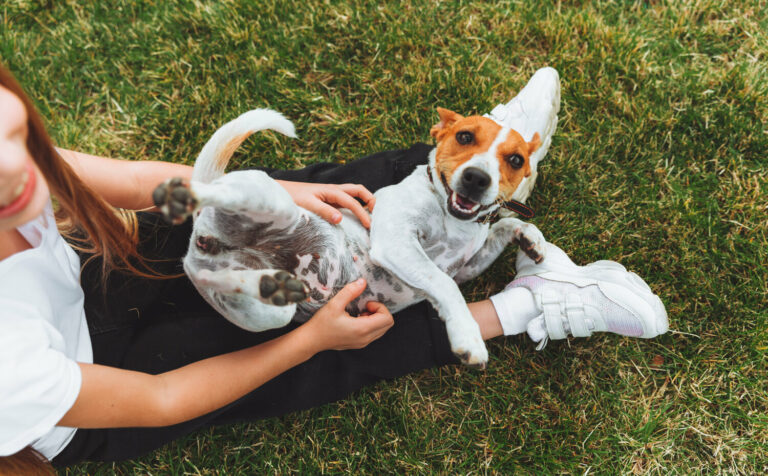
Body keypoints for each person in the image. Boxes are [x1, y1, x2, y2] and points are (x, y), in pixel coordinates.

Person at [0, 63, 668, 471]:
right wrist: (309, 341)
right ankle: (531, 303)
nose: (14, 165)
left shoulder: (15, 165)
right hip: (99, 394)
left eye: (9, 133)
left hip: (83, 277)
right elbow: (161, 400)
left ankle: (495, 148)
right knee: (334, 327)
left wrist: (276, 188)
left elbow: (134, 185)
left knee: (305, 205)